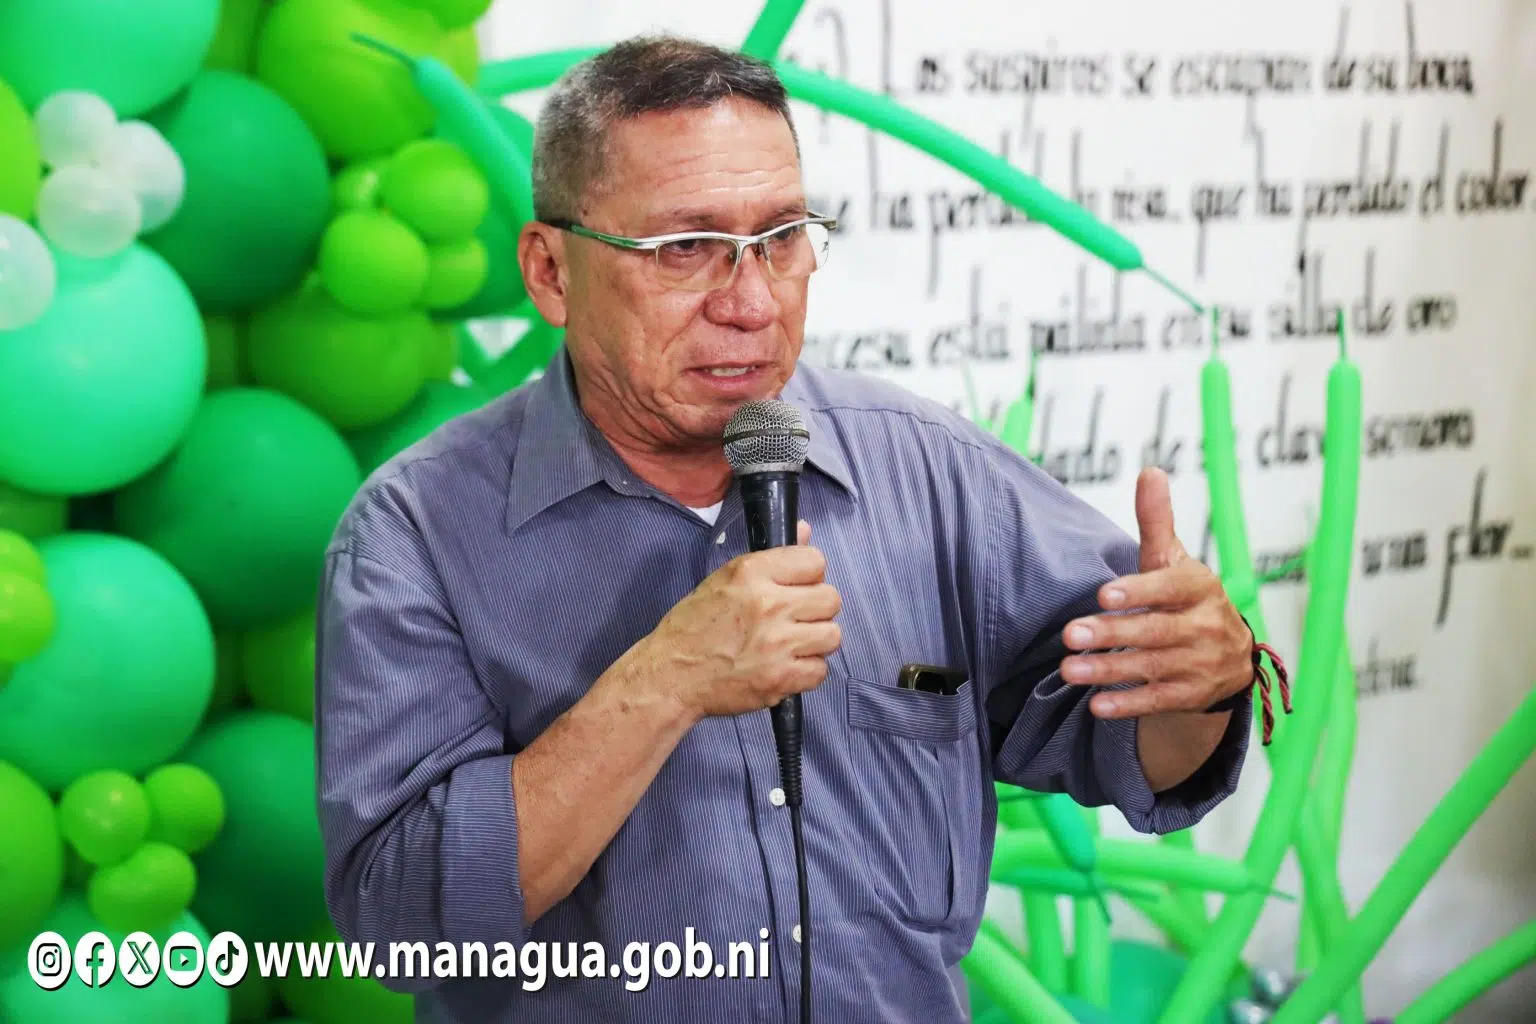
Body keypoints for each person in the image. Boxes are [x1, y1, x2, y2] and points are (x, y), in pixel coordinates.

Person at [315, 35, 1266, 1024]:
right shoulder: (414, 532)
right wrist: (665, 682)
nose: (750, 302)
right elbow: (401, 922)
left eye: (780, 238)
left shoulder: (935, 473)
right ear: (551, 272)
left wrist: (1202, 680)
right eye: (685, 248)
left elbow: (1142, 751)